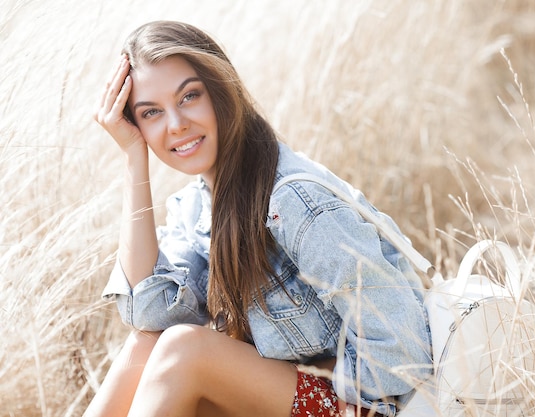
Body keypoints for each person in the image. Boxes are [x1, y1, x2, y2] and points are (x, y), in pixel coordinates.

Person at [85, 20, 432, 417]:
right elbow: (151, 316)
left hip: (368, 409)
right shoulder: (199, 207)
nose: (176, 124)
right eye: (151, 113)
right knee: (146, 345)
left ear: (220, 89)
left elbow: (402, 351)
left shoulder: (292, 200)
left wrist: (313, 375)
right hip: (307, 399)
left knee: (185, 349)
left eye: (189, 97)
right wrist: (133, 159)